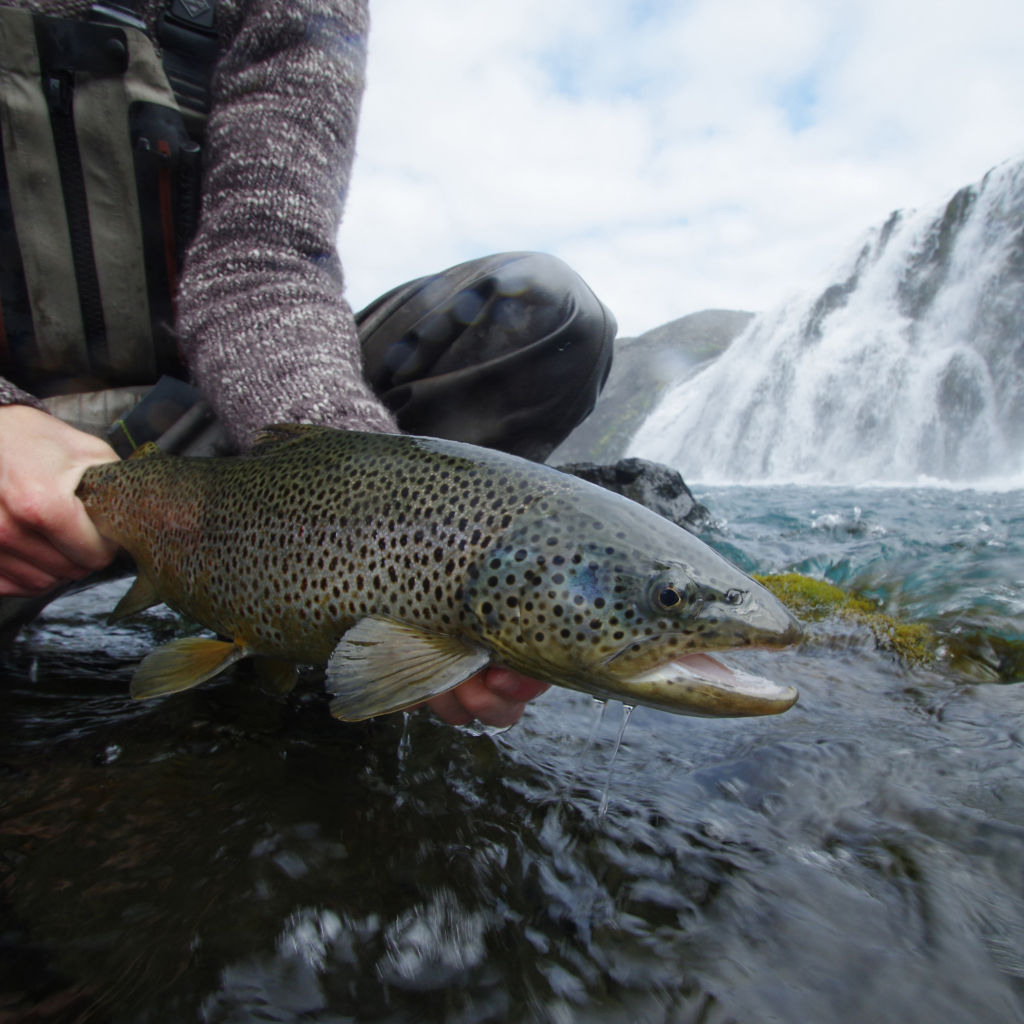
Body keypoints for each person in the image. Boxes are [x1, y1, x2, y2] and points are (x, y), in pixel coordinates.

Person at [0, 0, 616, 727]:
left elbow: (258, 267)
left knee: (541, 310)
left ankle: (320, 633)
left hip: (207, 451)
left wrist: (367, 494)